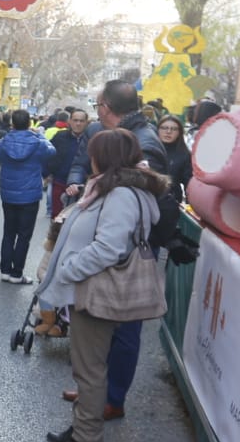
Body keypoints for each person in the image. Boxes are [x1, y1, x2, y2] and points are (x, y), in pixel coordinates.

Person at [37, 128, 168, 442]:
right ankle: (82, 425)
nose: (89, 158)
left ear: (106, 157)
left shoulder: (121, 194)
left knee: (89, 368)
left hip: (98, 288)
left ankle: (87, 438)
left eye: (94, 152)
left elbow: (108, 247)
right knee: (89, 365)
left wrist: (69, 268)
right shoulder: (116, 188)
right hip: (95, 284)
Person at [62, 81, 169, 421]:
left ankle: (111, 396)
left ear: (107, 107)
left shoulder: (144, 143)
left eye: (97, 107)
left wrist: (71, 267)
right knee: (99, 326)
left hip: (126, 256)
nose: (96, 114)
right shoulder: (109, 132)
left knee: (121, 328)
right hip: (111, 246)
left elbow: (142, 204)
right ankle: (95, 388)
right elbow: (83, 162)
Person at [0, 109, 54, 283]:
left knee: (8, 232)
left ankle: (5, 270)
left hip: (8, 192)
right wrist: (41, 135)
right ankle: (17, 273)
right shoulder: (38, 142)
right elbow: (52, 152)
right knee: (24, 235)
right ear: (29, 123)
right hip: (30, 194)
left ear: (12, 123)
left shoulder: (3, 142)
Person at [48, 108, 90, 217]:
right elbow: (50, 156)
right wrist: (48, 173)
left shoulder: (91, 139)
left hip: (81, 187)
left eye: (81, 121)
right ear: (70, 121)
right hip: (60, 182)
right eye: (75, 120)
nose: (78, 123)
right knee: (57, 217)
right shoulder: (59, 136)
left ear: (86, 122)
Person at [156, 114, 193, 200]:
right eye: (164, 128)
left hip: (171, 203)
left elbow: (189, 184)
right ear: (157, 129)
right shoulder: (149, 150)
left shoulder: (184, 154)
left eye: (174, 129)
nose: (168, 131)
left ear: (179, 132)